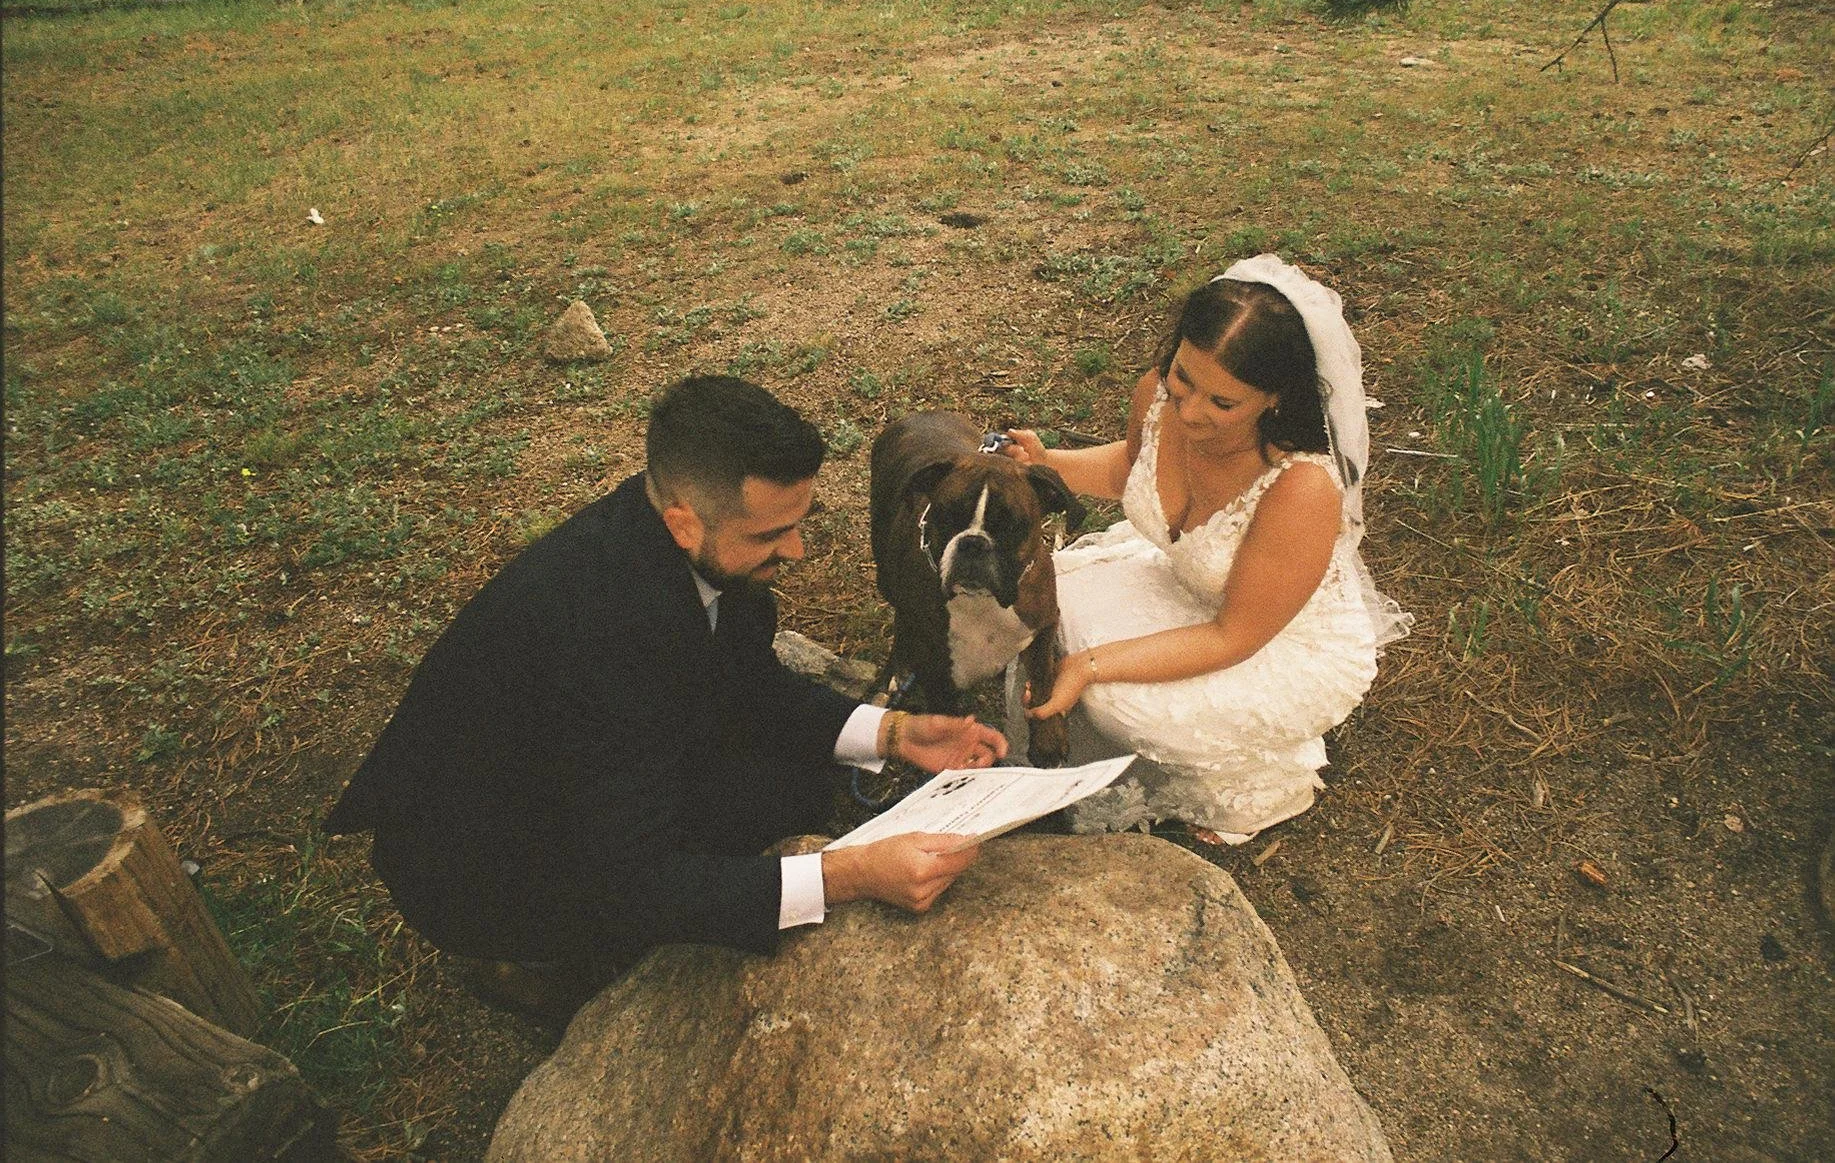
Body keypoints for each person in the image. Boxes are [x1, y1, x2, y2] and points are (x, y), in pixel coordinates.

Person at [324, 374, 1006, 1023]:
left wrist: (896, 733)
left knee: (789, 791)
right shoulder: (599, 643)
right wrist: (848, 875)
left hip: (588, 763)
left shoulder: (670, 531)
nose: (795, 550)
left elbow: (748, 682)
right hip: (486, 856)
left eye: (797, 522)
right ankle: (535, 963)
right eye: (769, 534)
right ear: (684, 523)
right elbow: (635, 878)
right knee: (669, 881)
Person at [998, 254, 1411, 841]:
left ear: (1274, 398)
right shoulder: (1159, 395)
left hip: (1274, 644)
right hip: (1188, 588)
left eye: (1222, 404)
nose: (1189, 412)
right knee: (1041, 595)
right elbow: (1128, 470)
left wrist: (1087, 667)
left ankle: (1264, 781)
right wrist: (1047, 463)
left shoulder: (1300, 486)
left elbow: (1233, 636)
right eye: (1184, 379)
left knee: (1118, 700)